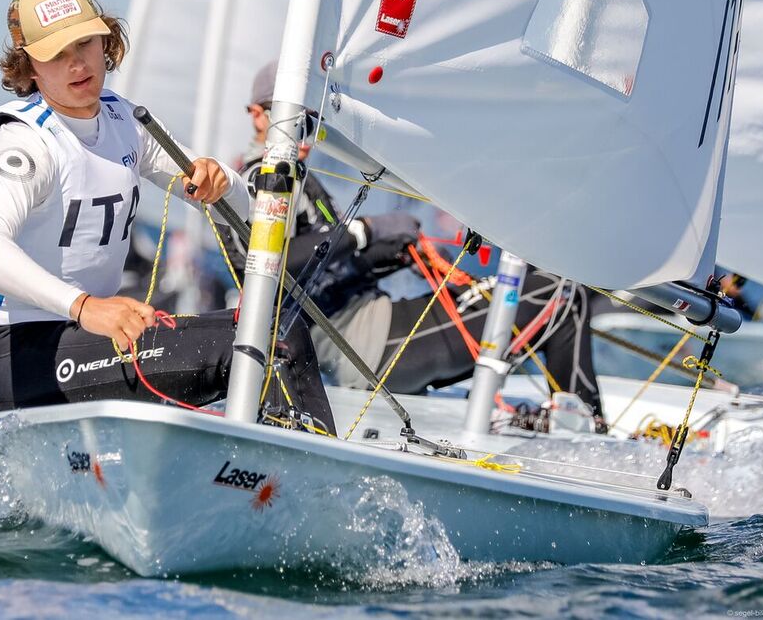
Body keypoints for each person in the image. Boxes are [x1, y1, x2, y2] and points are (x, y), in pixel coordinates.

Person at [0, 0, 333, 432]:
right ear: (29, 66)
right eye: (56, 55)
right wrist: (87, 306)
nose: (77, 64)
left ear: (105, 40)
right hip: (27, 355)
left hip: (90, 338)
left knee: (276, 325)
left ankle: (270, 470)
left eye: (85, 44)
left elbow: (231, 198)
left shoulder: (122, 120)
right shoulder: (22, 143)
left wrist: (220, 179)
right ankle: (309, 485)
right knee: (272, 339)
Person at [231, 60, 605, 427]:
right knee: (562, 295)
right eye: (292, 115)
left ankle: (573, 422)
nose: (305, 128)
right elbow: (268, 267)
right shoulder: (262, 181)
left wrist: (382, 255)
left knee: (549, 296)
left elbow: (320, 276)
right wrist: (365, 231)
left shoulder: (296, 177)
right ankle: (591, 434)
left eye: (313, 115)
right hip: (367, 348)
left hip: (374, 330)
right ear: (257, 116)